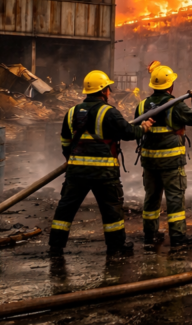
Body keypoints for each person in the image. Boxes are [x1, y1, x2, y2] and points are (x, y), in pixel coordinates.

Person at [49, 70, 154, 257]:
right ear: (104, 90)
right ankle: (116, 247)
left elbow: (65, 141)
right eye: (108, 89)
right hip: (104, 174)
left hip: (77, 172)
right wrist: (144, 127)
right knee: (111, 210)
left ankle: (56, 246)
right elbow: (129, 132)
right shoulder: (110, 112)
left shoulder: (72, 112)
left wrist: (72, 160)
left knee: (66, 208)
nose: (110, 92)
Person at [137, 64, 192, 248]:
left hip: (149, 162)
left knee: (151, 197)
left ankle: (150, 235)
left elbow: (137, 128)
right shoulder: (176, 105)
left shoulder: (142, 105)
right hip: (171, 162)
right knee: (174, 198)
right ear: (170, 86)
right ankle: (177, 237)